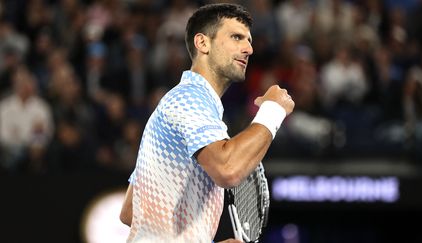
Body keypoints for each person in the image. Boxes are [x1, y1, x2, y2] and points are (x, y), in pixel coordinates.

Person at [120, 3, 295, 243]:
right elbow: (228, 169)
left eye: (249, 40)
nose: (249, 49)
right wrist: (273, 110)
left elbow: (130, 212)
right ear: (203, 43)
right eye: (236, 37)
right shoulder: (189, 98)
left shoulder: (182, 102)